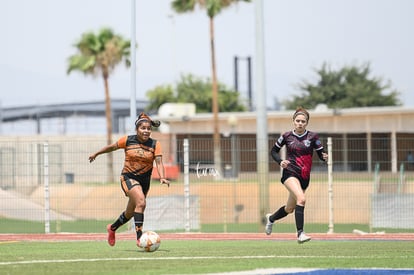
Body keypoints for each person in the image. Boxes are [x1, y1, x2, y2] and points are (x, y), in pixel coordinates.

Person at [89, 112, 170, 247]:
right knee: (141, 202)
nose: (146, 131)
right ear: (137, 129)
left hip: (144, 182)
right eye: (143, 128)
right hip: (128, 177)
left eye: (148, 128)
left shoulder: (155, 144)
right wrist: (96, 153)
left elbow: (159, 162)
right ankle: (140, 238)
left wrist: (162, 177)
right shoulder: (127, 140)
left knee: (130, 212)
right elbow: (112, 147)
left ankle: (112, 228)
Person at [265, 107, 328, 244]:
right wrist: (280, 161)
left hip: (305, 177)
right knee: (302, 199)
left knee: (289, 209)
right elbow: (273, 151)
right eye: (297, 120)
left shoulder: (313, 137)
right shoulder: (286, 136)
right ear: (293, 121)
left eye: (303, 121)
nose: (300, 123)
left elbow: (321, 154)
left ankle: (271, 219)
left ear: (307, 123)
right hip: (290, 173)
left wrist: (324, 157)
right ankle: (300, 234)